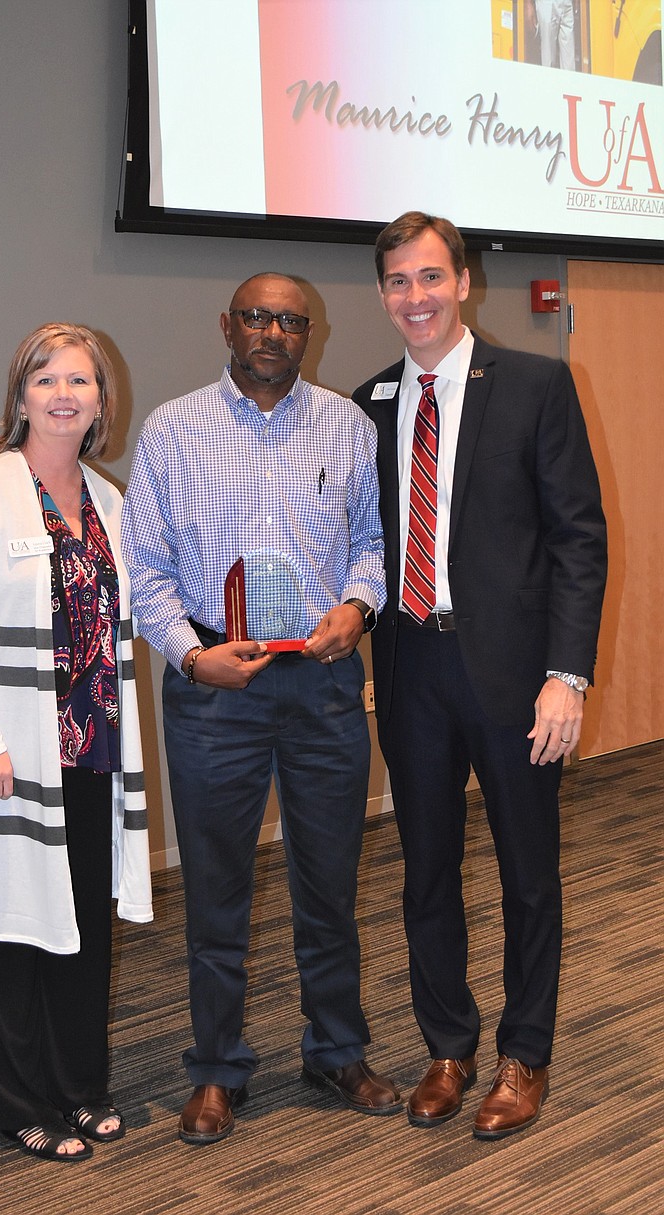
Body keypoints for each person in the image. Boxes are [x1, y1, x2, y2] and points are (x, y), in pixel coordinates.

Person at [123, 272, 401, 1144]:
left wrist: (356, 607)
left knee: (330, 883)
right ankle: (215, 1067)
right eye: (256, 316)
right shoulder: (172, 429)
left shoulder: (348, 426)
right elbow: (146, 567)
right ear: (227, 325)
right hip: (216, 688)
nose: (272, 331)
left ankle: (337, 1049)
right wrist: (194, 655)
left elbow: (372, 543)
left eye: (289, 319)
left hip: (321, 683)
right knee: (217, 892)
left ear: (308, 333)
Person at [352, 213, 606, 1140]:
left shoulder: (536, 383)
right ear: (383, 294)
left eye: (429, 277)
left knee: (528, 873)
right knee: (426, 869)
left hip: (513, 675)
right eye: (396, 282)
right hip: (412, 666)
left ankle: (524, 1053)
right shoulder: (368, 402)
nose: (413, 298)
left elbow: (580, 538)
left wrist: (566, 674)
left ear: (463, 281)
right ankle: (448, 1046)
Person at [0, 323, 153, 1161]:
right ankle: (11, 1100)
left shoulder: (108, 500)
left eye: (80, 382)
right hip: (8, 758)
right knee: (5, 929)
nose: (64, 394)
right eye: (47, 379)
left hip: (90, 750)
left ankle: (76, 1087)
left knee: (81, 926)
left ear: (101, 400)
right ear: (20, 395)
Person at [527, 0, 576, 70]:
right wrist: (529, 5)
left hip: (566, 3)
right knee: (548, 56)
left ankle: (569, 80)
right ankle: (549, 80)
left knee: (569, 58)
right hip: (547, 4)